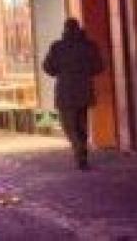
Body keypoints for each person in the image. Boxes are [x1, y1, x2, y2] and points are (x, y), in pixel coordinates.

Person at [42, 18, 104, 170]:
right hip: (84, 91)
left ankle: (79, 150)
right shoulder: (89, 46)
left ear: (65, 30)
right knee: (81, 124)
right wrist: (85, 73)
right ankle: (81, 153)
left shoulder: (58, 47)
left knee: (69, 126)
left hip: (65, 93)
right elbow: (99, 66)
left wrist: (61, 72)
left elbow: (48, 67)